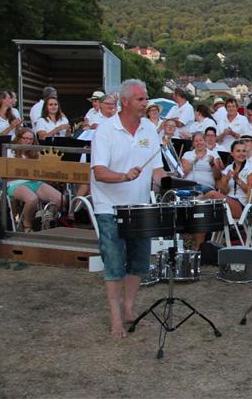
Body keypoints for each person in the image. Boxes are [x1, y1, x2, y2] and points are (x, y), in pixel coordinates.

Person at [90, 78, 167, 339]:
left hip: (140, 206)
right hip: (109, 207)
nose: (145, 103)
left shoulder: (149, 130)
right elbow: (99, 172)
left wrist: (172, 183)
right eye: (140, 99)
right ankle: (115, 318)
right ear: (124, 102)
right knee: (114, 264)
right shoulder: (105, 130)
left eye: (146, 98)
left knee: (139, 262)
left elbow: (157, 170)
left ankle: (129, 310)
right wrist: (124, 177)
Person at [6, 128, 65, 232]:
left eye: (31, 139)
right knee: (32, 199)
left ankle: (45, 219)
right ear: (18, 139)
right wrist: (26, 174)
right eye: (25, 138)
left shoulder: (35, 153)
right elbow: (5, 173)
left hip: (34, 181)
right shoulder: (10, 151)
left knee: (60, 199)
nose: (28, 141)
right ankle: (26, 224)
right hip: (15, 183)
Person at [204, 139, 252, 227]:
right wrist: (225, 181)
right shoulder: (229, 168)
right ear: (232, 153)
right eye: (238, 151)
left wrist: (237, 179)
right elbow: (223, 191)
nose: (241, 153)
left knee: (212, 194)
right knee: (205, 216)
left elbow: (251, 194)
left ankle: (193, 206)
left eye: (244, 151)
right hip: (228, 203)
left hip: (243, 206)